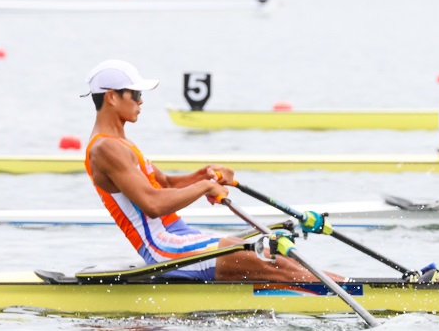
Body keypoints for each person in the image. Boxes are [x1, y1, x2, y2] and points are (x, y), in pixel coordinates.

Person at [83, 59, 325, 282]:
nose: (141, 101)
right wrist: (205, 187)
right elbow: (152, 204)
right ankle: (337, 294)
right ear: (112, 97)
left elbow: (165, 184)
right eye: (136, 94)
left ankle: (328, 290)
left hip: (178, 234)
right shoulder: (105, 148)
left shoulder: (121, 143)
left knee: (279, 257)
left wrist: (206, 174)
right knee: (272, 263)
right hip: (162, 247)